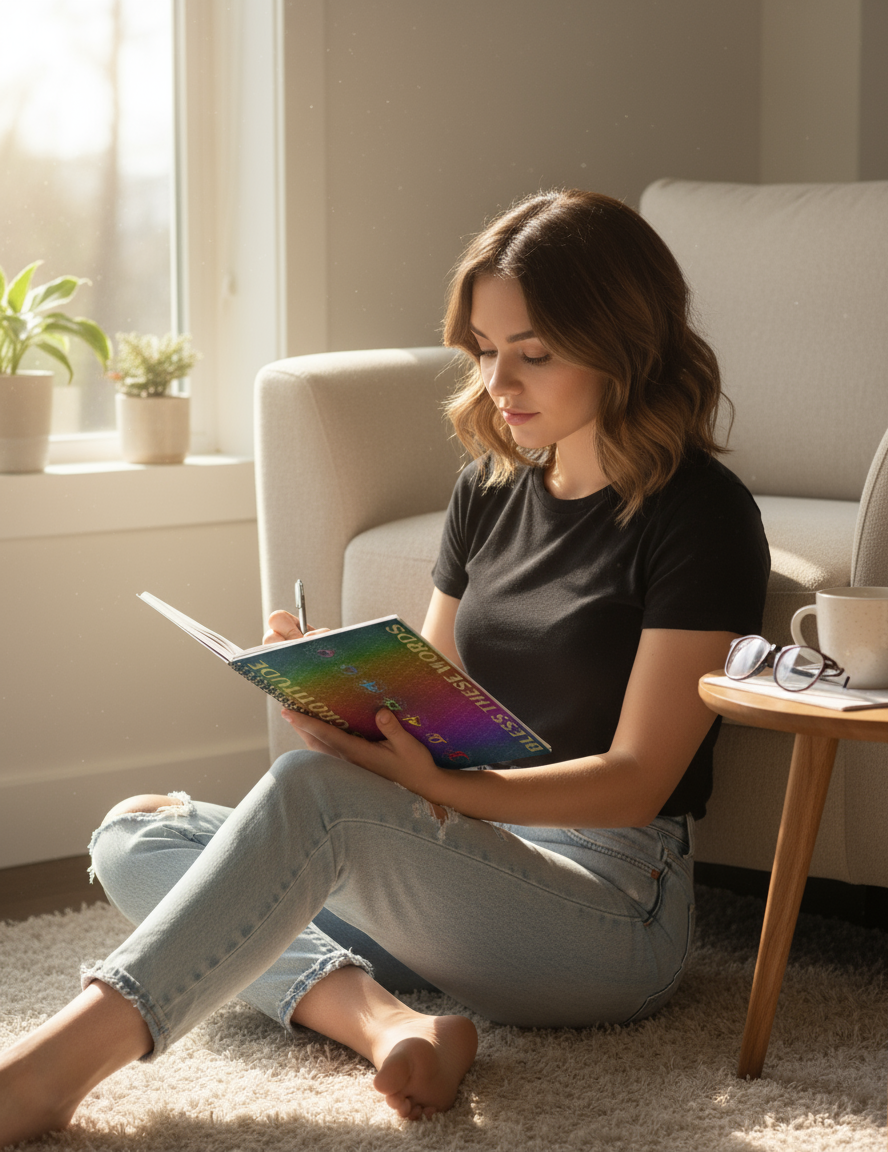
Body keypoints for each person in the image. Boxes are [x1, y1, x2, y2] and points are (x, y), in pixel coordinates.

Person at [0, 189, 769, 1144]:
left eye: (533, 353)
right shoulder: (489, 493)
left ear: (627, 344)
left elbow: (635, 781)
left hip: (614, 902)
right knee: (136, 833)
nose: (499, 382)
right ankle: (392, 1025)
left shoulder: (704, 516)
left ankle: (48, 1073)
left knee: (310, 800)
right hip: (468, 863)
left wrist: (423, 786)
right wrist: (335, 694)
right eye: (485, 351)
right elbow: (437, 703)